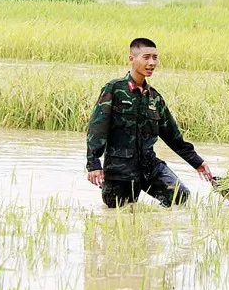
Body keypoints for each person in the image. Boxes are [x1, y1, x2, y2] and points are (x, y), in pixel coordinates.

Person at [86, 37, 214, 208]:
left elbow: (173, 136)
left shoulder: (154, 98)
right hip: (120, 170)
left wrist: (197, 162)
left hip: (149, 167)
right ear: (132, 59)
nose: (152, 62)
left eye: (155, 57)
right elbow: (97, 127)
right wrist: (93, 164)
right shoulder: (115, 89)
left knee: (179, 196)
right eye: (146, 57)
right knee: (122, 215)